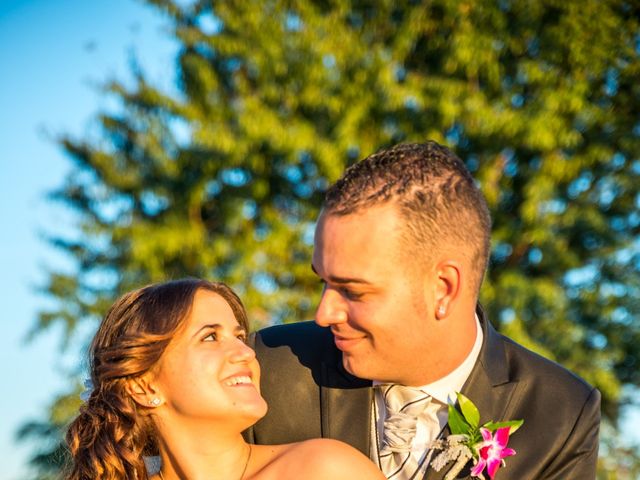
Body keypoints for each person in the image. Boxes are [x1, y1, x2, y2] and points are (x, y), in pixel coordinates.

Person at [245, 142, 601, 479]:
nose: (324, 314)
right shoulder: (266, 367)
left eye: (352, 291)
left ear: (443, 288)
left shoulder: (561, 414)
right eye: (323, 282)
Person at [65, 278, 385, 480]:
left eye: (239, 336)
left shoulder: (323, 470)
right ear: (143, 386)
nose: (246, 353)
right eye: (210, 338)